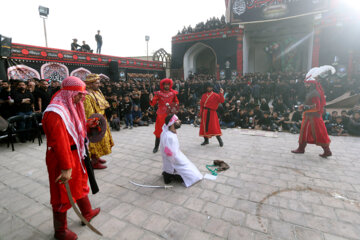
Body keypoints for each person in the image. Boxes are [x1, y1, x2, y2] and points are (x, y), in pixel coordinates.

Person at [42, 76, 100, 240]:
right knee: (62, 193)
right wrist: (66, 168)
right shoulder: (56, 113)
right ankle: (60, 231)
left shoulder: (70, 105)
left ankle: (87, 212)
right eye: (80, 94)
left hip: (77, 154)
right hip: (62, 158)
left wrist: (89, 125)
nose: (83, 97)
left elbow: (74, 128)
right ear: (69, 93)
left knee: (80, 183)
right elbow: (60, 143)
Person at [291, 65, 335, 158]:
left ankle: (327, 151)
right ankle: (301, 148)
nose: (306, 85)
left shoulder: (315, 93)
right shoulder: (312, 92)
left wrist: (303, 107)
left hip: (314, 117)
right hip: (309, 116)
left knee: (319, 134)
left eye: (307, 83)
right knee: (304, 132)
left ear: (312, 84)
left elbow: (317, 107)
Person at [160, 114, 203, 187]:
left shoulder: (169, 132)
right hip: (173, 158)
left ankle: (168, 173)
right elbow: (168, 152)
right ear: (172, 123)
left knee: (190, 168)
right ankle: (168, 175)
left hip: (174, 156)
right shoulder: (169, 136)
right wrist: (178, 161)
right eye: (177, 120)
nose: (180, 121)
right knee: (194, 176)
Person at [84, 74, 114, 169]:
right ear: (90, 84)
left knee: (101, 140)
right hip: (95, 121)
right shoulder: (87, 95)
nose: (99, 84)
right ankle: (94, 162)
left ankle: (97, 157)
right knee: (95, 141)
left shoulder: (97, 91)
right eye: (97, 83)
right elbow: (89, 112)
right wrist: (94, 123)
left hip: (102, 119)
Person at [149, 78, 179, 153]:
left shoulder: (173, 93)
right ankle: (156, 146)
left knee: (171, 130)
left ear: (170, 85)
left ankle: (171, 146)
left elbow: (176, 102)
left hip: (170, 114)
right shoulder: (158, 93)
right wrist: (151, 98)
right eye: (165, 84)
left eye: (168, 85)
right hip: (161, 114)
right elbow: (153, 103)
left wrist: (174, 108)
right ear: (162, 85)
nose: (166, 86)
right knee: (159, 130)